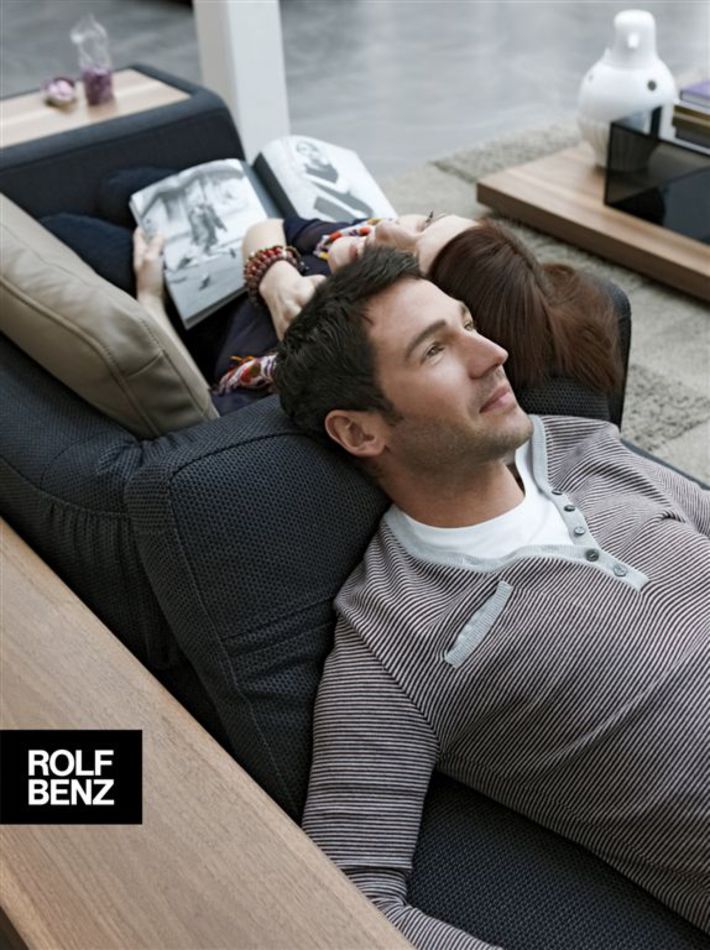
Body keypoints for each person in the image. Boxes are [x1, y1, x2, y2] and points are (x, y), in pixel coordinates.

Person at [273, 245, 710, 949]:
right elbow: (345, 901)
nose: (493, 354)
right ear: (360, 431)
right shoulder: (394, 637)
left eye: (469, 324)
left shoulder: (587, 450)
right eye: (435, 350)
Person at [132, 210, 623, 415]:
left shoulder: (309, 372)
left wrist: (150, 299)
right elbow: (276, 224)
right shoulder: (355, 249)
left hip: (180, 308)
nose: (387, 228)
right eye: (426, 219)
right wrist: (275, 276)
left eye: (408, 255)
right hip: (226, 258)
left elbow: (189, 401)